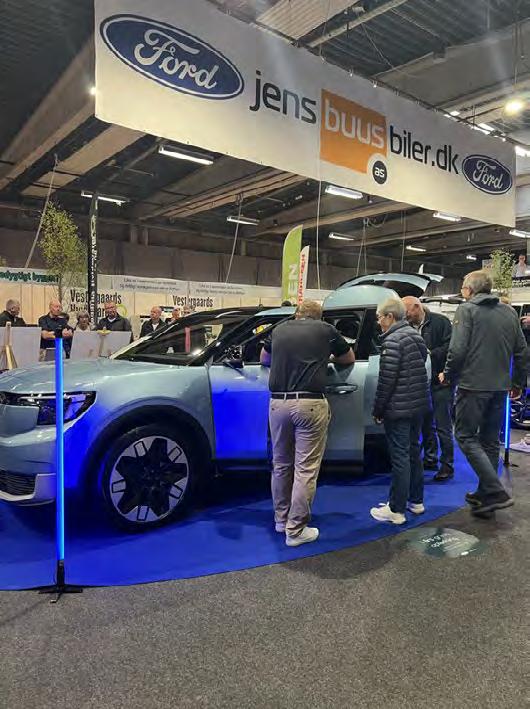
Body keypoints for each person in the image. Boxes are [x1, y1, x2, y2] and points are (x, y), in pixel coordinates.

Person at [260, 300, 354, 546]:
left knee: (281, 465)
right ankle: (296, 530)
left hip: (277, 403)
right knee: (305, 469)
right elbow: (349, 357)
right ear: (318, 317)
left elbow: (264, 358)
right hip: (310, 403)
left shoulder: (278, 329)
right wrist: (325, 357)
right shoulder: (326, 330)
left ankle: (281, 520)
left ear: (297, 314)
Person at [440, 270, 527, 516]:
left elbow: (457, 350)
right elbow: (522, 351)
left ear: (470, 289)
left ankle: (495, 490)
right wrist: (518, 382)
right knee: (490, 441)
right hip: (500, 387)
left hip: (472, 386)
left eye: (463, 287)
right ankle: (486, 495)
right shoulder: (509, 312)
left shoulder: (466, 310)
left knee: (465, 436)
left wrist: (448, 375)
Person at [370, 298, 431, 525]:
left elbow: (387, 380)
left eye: (380, 318)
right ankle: (416, 501)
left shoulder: (392, 341)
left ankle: (396, 510)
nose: (379, 322)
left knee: (400, 457)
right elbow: (421, 361)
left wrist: (378, 409)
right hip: (418, 406)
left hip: (398, 409)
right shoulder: (415, 335)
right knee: (413, 452)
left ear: (390, 316)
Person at [402, 296, 454, 481]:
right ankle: (430, 459)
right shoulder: (407, 326)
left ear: (417, 307)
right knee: (425, 425)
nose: (405, 315)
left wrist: (430, 354)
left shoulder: (441, 322)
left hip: (440, 382)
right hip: (419, 383)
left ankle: (447, 465)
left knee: (443, 426)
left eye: (407, 311)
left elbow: (451, 347)